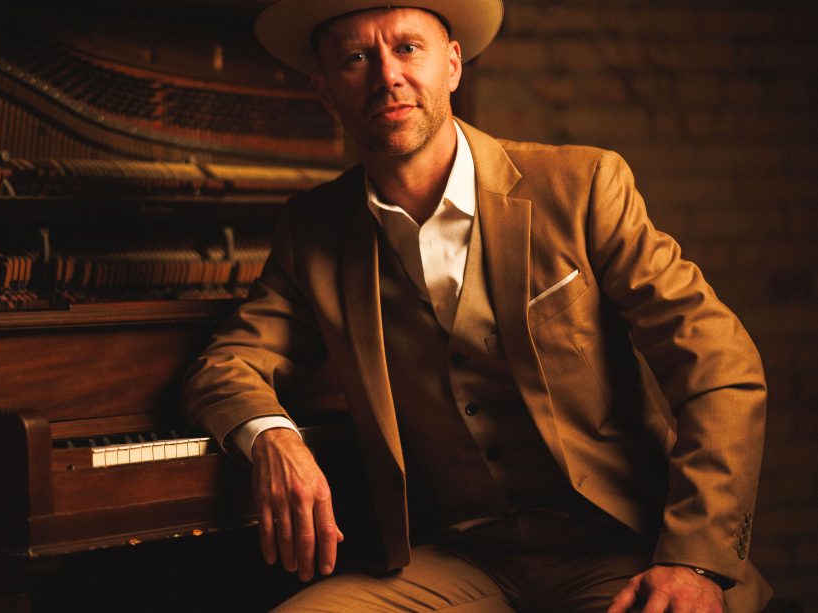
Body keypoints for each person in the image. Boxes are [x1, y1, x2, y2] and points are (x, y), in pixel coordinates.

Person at [182, 1, 772, 610]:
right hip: (457, 561)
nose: (387, 75)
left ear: (453, 64)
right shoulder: (315, 230)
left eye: (409, 48)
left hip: (620, 550)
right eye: (357, 58)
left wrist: (692, 560)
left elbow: (718, 364)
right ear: (326, 90)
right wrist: (273, 438)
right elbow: (227, 365)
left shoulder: (582, 186)